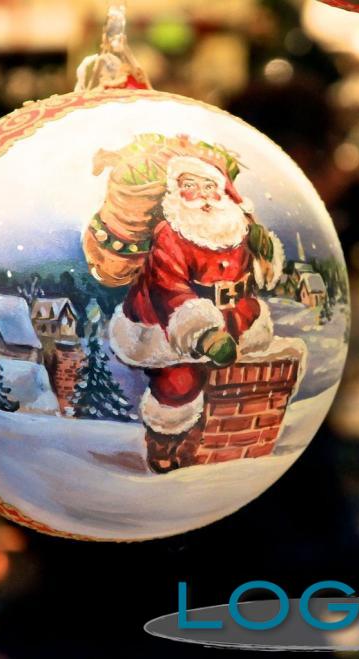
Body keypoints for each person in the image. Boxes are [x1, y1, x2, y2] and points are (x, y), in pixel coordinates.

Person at [108, 155, 284, 472]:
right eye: (189, 185)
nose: (201, 194)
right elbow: (169, 286)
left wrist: (263, 257)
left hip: (234, 314)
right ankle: (165, 439)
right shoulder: (171, 234)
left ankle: (209, 437)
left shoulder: (236, 227)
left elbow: (254, 275)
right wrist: (202, 333)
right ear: (177, 192)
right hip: (171, 322)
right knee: (179, 381)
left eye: (208, 186)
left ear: (222, 192)